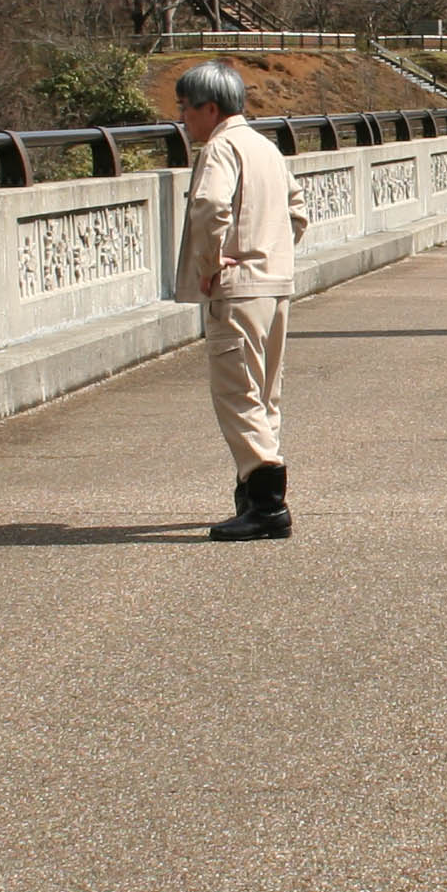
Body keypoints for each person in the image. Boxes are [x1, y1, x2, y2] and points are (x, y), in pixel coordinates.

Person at [173, 60, 307, 540]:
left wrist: (211, 263)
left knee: (235, 392)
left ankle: (267, 503)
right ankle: (253, 495)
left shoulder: (221, 147)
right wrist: (274, 251)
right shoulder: (265, 146)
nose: (182, 118)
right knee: (265, 393)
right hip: (275, 284)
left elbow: (210, 205)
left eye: (186, 109)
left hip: (239, 286)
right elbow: (298, 210)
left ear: (210, 109)